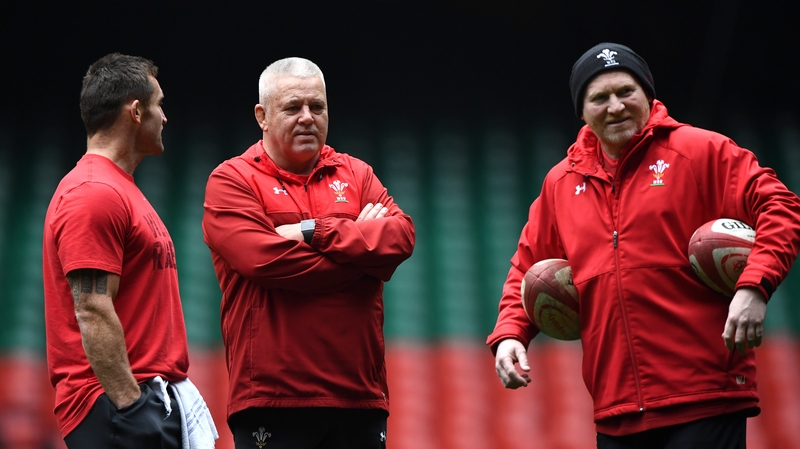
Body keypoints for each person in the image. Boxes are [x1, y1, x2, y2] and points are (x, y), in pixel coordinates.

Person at [487, 42, 800, 449]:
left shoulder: (701, 151)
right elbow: (526, 267)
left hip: (705, 398)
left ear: (649, 96)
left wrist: (753, 286)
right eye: (599, 97)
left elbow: (782, 205)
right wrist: (511, 333)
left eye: (626, 92)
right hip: (616, 411)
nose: (615, 106)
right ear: (581, 112)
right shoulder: (560, 183)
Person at [202, 57, 415, 449]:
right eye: (293, 107)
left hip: (360, 397)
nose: (307, 117)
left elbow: (402, 237)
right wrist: (365, 260)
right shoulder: (231, 180)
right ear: (262, 116)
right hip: (272, 400)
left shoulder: (357, 173)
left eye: (317, 107)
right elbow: (264, 260)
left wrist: (312, 231)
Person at [43, 53, 217, 448]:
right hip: (114, 406)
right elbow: (91, 308)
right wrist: (131, 407)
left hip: (140, 401)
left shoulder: (118, 188)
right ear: (136, 111)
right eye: (159, 105)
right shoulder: (93, 193)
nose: (165, 117)